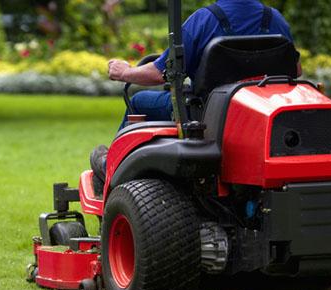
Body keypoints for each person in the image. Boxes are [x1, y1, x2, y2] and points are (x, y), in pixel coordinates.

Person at [90, 0, 296, 196]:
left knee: (139, 100)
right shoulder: (275, 19)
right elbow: (295, 69)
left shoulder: (204, 20)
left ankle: (110, 168)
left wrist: (124, 72)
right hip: (259, 113)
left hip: (205, 115)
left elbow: (158, 72)